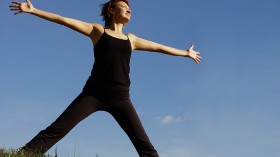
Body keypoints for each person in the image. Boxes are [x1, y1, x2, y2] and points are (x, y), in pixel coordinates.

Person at [9, 0, 202, 156]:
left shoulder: (131, 39)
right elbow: (64, 20)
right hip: (93, 93)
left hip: (120, 97)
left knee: (144, 145)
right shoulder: (98, 31)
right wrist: (34, 10)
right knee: (57, 129)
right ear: (111, 9)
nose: (129, 10)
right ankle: (24, 154)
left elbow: (159, 47)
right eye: (124, 6)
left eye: (130, 8)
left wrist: (185, 53)